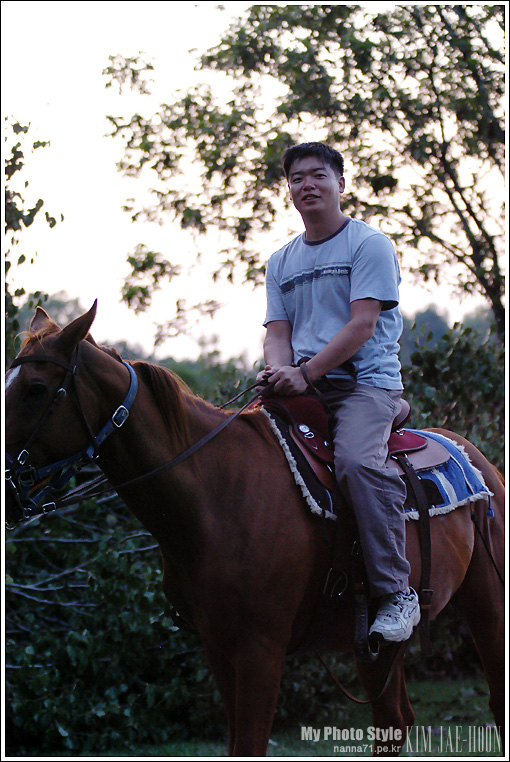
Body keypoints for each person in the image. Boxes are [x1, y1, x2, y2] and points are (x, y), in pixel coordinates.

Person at [257, 141, 420, 643]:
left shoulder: (368, 244)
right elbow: (277, 333)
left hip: (364, 385)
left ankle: (397, 593)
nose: (307, 185)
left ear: (341, 184)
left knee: (355, 463)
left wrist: (304, 374)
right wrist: (278, 372)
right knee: (242, 447)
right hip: (305, 381)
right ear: (289, 190)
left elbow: (363, 325)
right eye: (296, 178)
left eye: (318, 175)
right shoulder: (280, 260)